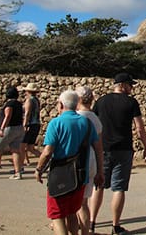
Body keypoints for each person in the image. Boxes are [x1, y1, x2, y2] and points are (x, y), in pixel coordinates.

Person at [34, 90, 103, 235]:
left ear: (60, 104)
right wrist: (100, 172)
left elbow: (47, 152)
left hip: (60, 175)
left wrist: (39, 169)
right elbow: (98, 149)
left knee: (57, 216)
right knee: (73, 211)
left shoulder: (56, 123)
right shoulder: (87, 123)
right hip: (80, 175)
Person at [92, 73, 146, 235]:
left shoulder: (101, 101)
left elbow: (92, 123)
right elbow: (139, 128)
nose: (132, 88)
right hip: (124, 149)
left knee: (98, 186)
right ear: (123, 85)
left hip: (103, 148)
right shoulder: (131, 103)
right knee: (119, 188)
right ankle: (115, 225)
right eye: (130, 85)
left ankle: (91, 222)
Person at [76, 86, 104, 235]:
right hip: (91, 160)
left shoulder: (75, 117)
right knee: (83, 202)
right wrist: (100, 169)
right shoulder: (95, 119)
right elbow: (99, 147)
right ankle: (86, 231)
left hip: (77, 161)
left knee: (76, 203)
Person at [20, 82, 42, 168]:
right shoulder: (36, 100)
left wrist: (25, 124)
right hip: (36, 123)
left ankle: (20, 166)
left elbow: (27, 112)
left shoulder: (29, 100)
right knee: (30, 147)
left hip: (30, 124)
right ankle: (47, 160)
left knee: (22, 146)